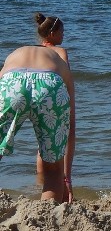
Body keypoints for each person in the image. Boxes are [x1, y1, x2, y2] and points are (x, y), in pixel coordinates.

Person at [0, 46, 75, 202]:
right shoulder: (61, 64)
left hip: (12, 80)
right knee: (53, 170)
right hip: (50, 83)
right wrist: (66, 179)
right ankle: (47, 215)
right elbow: (70, 127)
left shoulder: (15, 54)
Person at [34, 12, 74, 186]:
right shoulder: (60, 51)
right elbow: (65, 76)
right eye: (62, 31)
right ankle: (59, 181)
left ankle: (40, 181)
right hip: (53, 94)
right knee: (54, 140)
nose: (64, 35)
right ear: (52, 33)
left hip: (33, 93)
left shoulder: (36, 51)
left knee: (40, 143)